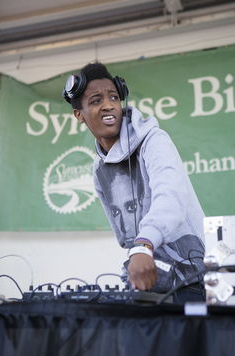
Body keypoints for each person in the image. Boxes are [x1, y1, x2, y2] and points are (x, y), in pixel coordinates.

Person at [62, 61, 206, 303]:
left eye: (114, 97)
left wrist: (143, 245)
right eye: (96, 101)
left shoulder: (154, 140)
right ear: (79, 115)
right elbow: (126, 235)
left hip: (194, 280)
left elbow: (170, 197)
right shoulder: (99, 170)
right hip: (154, 283)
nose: (108, 105)